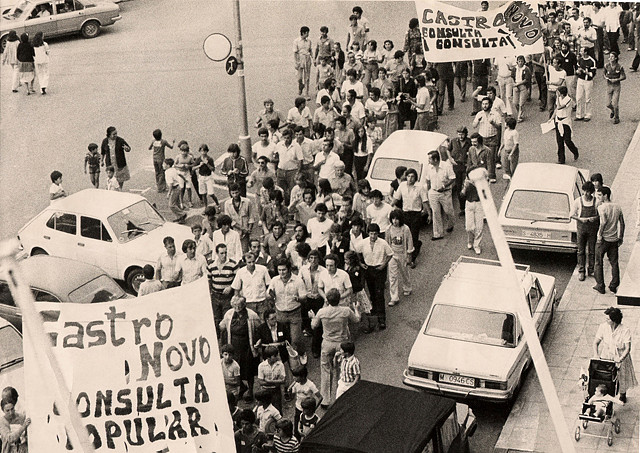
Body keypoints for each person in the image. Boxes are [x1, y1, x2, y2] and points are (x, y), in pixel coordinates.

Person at [310, 288, 360, 407]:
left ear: (327, 299)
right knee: (341, 370)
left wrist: (312, 316)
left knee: (326, 370)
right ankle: (340, 396)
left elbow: (314, 326)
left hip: (327, 343)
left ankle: (325, 400)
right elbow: (357, 320)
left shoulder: (322, 312)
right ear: (339, 299)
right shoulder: (346, 311)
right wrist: (357, 309)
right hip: (341, 343)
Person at [220, 296, 260, 402]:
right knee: (235, 369)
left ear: (244, 305)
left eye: (239, 305)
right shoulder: (229, 314)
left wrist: (257, 342)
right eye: (234, 305)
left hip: (247, 347)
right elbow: (222, 326)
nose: (237, 308)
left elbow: (258, 328)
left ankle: (250, 391)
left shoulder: (251, 315)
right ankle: (242, 388)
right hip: (233, 347)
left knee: (249, 370)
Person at [593, 307, 637, 403]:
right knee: (607, 376)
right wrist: (596, 355)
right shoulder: (603, 327)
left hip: (620, 357)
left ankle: (622, 394)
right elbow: (595, 342)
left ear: (614, 320)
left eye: (608, 319)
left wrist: (620, 359)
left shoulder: (625, 330)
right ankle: (607, 396)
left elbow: (627, 348)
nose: (606, 320)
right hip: (607, 355)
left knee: (622, 377)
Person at [355, 223, 393, 330]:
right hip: (368, 269)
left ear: (378, 234)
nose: (373, 236)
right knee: (371, 292)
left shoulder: (383, 243)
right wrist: (361, 263)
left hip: (379, 270)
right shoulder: (363, 243)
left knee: (379, 293)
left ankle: (381, 319)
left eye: (375, 234)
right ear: (368, 233)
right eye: (371, 234)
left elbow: (390, 254)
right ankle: (374, 311)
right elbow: (357, 252)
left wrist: (383, 265)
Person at [267, 258, 307, 357]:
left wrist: (298, 298)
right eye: (279, 270)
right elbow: (268, 294)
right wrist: (270, 296)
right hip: (280, 312)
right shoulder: (274, 280)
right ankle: (286, 356)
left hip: (295, 312)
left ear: (289, 269)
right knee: (282, 337)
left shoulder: (298, 280)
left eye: (284, 270)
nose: (281, 272)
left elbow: (304, 297)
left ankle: (299, 356)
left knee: (295, 339)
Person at [593, 187, 625, 295]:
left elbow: (603, 222)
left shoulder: (602, 208)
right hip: (614, 239)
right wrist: (621, 237)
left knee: (598, 262)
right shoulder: (617, 207)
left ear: (605, 196)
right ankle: (614, 285)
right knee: (614, 263)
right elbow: (622, 223)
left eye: (600, 195)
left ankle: (600, 285)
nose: (598, 198)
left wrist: (599, 236)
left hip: (604, 239)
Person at [393, 168, 427, 267]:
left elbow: (424, 201)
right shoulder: (402, 186)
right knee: (405, 235)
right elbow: (396, 198)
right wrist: (389, 206)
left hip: (416, 214)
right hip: (405, 213)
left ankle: (412, 259)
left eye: (412, 177)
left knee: (413, 236)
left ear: (415, 178)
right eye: (408, 176)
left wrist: (428, 213)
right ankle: (412, 250)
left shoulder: (419, 187)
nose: (410, 179)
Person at [570, 181, 599, 281]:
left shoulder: (597, 202)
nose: (587, 194)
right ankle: (581, 271)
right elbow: (571, 215)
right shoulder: (578, 201)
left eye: (589, 192)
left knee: (592, 250)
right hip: (581, 229)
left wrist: (595, 218)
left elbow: (601, 215)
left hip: (592, 229)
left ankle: (591, 270)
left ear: (592, 192)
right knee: (581, 251)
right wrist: (580, 219)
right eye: (585, 192)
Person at [385, 209, 413, 306]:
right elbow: (387, 243)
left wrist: (409, 255)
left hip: (402, 254)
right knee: (392, 276)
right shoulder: (388, 229)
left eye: (397, 219)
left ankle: (407, 287)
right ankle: (394, 297)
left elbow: (409, 242)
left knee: (404, 272)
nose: (395, 221)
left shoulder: (405, 229)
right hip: (392, 255)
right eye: (393, 219)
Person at [232, 251, 271, 319]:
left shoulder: (263, 269)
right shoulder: (240, 272)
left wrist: (269, 299)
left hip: (262, 302)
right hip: (248, 303)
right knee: (250, 323)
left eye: (253, 261)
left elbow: (269, 285)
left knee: (263, 323)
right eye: (249, 262)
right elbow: (236, 289)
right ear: (245, 262)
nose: (252, 264)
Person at [426, 151, 455, 240]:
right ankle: (438, 233)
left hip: (445, 193)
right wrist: (429, 191)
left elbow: (453, 178)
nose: (428, 160)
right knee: (435, 212)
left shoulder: (446, 166)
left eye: (430, 159)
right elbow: (428, 180)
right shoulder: (429, 167)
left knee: (448, 211)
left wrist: (444, 186)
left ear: (435, 159)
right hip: (433, 193)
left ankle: (450, 224)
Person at [287, 367, 322, 438]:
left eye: (296, 376)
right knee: (297, 429)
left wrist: (313, 408)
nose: (294, 378)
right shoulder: (296, 384)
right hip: (298, 409)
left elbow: (320, 397)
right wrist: (289, 392)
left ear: (302, 376)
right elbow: (292, 398)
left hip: (307, 409)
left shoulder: (310, 385)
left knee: (309, 428)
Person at [472, 97, 501, 183]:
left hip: (492, 138)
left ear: (490, 105)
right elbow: (474, 125)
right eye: (483, 104)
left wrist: (493, 123)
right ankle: (483, 175)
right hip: (482, 138)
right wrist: (477, 120)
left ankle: (492, 175)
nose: (484, 106)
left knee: (491, 157)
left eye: (486, 104)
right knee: (482, 157)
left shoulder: (495, 114)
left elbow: (499, 126)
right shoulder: (479, 114)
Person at [461, 168, 484, 255]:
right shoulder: (466, 182)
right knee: (469, 226)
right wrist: (465, 188)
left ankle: (476, 244)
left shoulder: (482, 182)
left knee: (479, 226)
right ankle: (470, 240)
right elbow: (462, 195)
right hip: (469, 204)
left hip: (479, 204)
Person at [257, 346, 286, 414]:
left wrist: (269, 381)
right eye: (275, 355)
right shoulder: (261, 366)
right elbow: (261, 382)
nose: (277, 357)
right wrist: (276, 382)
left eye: (277, 355)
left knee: (278, 410)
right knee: (264, 410)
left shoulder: (280, 365)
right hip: (265, 391)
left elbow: (283, 380)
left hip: (276, 391)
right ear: (268, 357)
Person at [554, 86, 579, 164]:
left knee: (567, 140)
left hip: (565, 122)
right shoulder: (559, 99)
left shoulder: (568, 99)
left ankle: (575, 151)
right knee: (559, 141)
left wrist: (557, 97)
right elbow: (556, 110)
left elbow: (559, 107)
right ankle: (561, 159)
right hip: (558, 120)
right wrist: (552, 118)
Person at [575, 46, 597, 122]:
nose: (580, 52)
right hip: (580, 80)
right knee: (578, 98)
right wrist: (578, 72)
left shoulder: (592, 61)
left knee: (587, 99)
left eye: (581, 51)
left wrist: (584, 71)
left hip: (588, 82)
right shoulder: (580, 60)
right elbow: (577, 70)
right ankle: (579, 115)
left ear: (585, 52)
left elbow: (592, 74)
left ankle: (588, 114)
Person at [603, 52, 626, 125]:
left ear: (615, 58)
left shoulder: (620, 67)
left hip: (616, 86)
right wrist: (606, 77)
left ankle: (617, 117)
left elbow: (623, 76)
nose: (610, 58)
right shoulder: (606, 66)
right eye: (610, 56)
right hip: (609, 85)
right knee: (607, 104)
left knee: (615, 103)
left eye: (612, 57)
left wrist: (617, 79)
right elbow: (604, 74)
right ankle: (613, 110)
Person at [163, 158, 186, 223]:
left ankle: (182, 214)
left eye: (164, 164)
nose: (163, 165)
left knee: (171, 205)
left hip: (174, 188)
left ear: (168, 165)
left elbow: (171, 184)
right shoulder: (173, 169)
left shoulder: (167, 172)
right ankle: (180, 218)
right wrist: (184, 179)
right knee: (177, 203)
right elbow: (180, 174)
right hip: (178, 187)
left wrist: (169, 193)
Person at [193, 144, 217, 208]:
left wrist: (207, 164)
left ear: (207, 151)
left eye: (204, 151)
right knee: (203, 193)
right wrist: (199, 165)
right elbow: (193, 168)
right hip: (201, 177)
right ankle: (206, 207)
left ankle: (217, 204)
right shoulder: (198, 159)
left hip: (208, 177)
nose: (203, 153)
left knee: (211, 193)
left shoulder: (210, 159)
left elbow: (213, 169)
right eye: (201, 151)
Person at [294, 26, 313, 98]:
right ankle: (300, 85)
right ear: (303, 33)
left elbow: (310, 50)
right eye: (307, 33)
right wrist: (296, 62)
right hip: (300, 58)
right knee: (299, 77)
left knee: (307, 77)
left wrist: (313, 58)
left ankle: (306, 93)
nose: (308, 34)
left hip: (307, 58)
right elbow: (295, 53)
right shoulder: (296, 41)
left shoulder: (309, 41)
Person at [512, 55, 531, 122]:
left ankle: (520, 115)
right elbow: (512, 77)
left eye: (521, 61)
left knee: (521, 103)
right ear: (517, 61)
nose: (520, 63)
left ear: (524, 62)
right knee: (515, 102)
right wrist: (514, 84)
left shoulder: (526, 69)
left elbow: (526, 79)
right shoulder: (515, 68)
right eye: (519, 61)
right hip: (516, 85)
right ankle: (519, 112)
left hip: (523, 86)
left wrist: (518, 84)